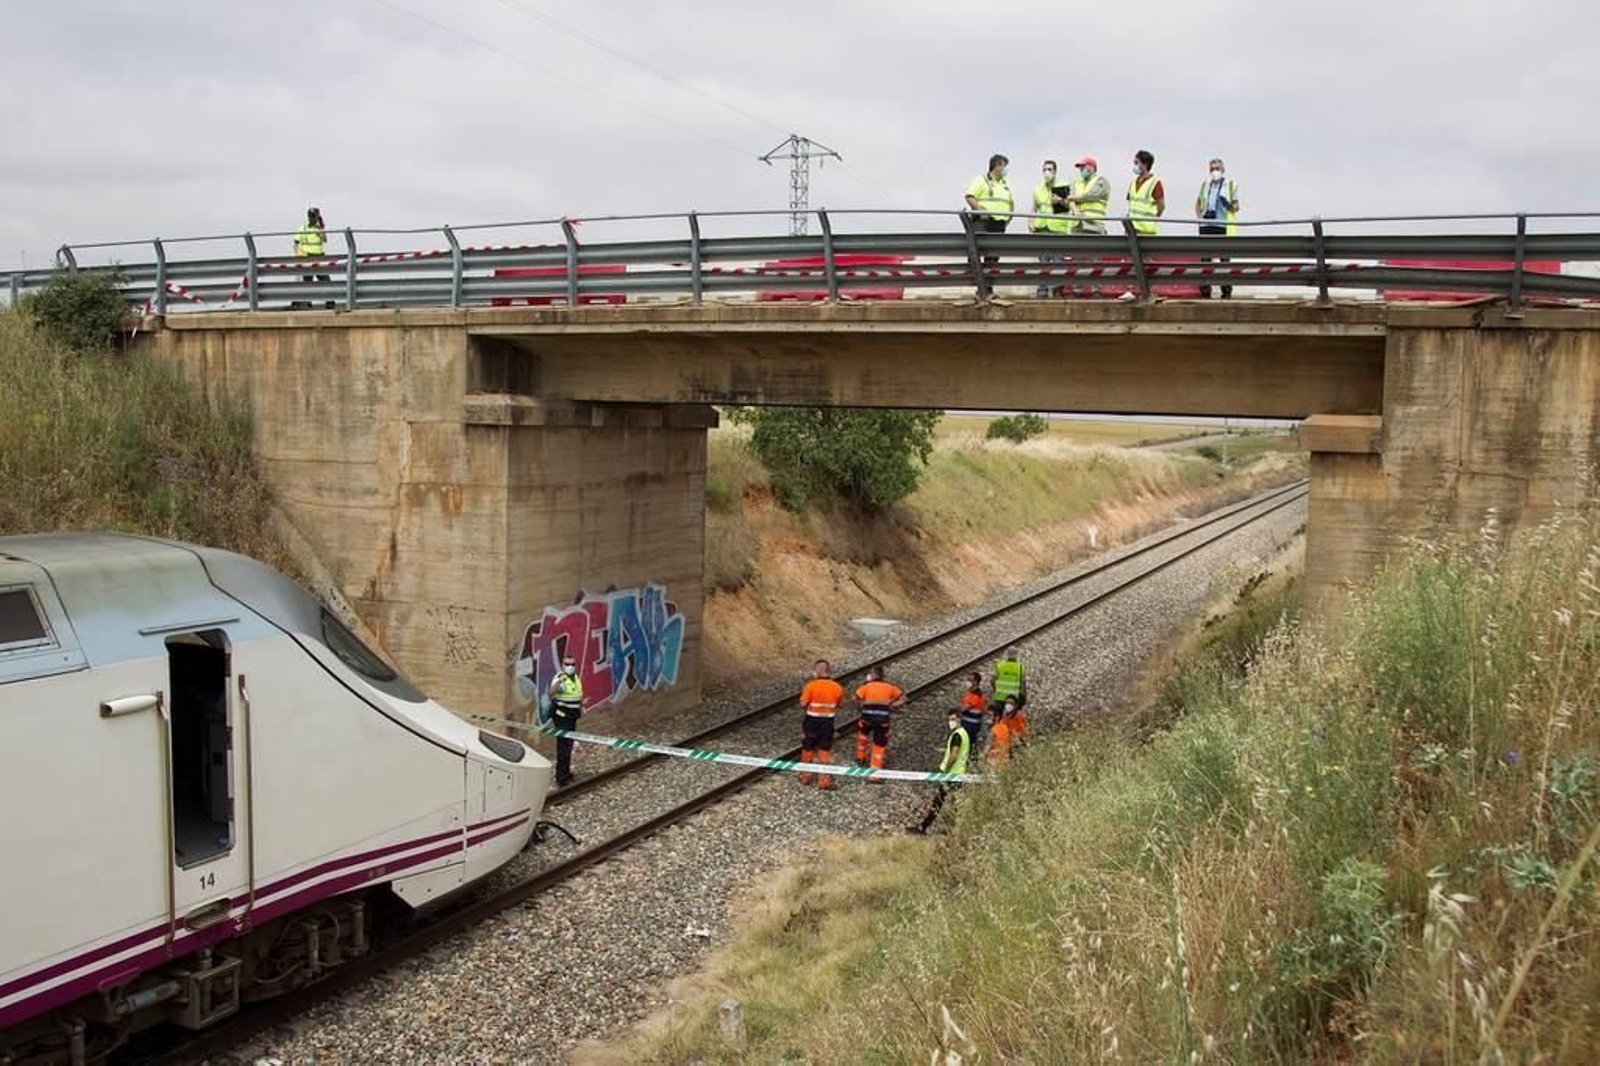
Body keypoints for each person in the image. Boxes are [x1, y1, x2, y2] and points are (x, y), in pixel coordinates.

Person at [906, 708, 972, 834]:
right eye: (949, 719)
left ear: (959, 719)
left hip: (951, 774)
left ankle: (924, 827)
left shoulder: (957, 735)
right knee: (952, 802)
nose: (950, 722)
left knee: (939, 802)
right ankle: (950, 829)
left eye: (953, 719)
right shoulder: (964, 733)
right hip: (959, 774)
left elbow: (954, 755)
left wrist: (945, 770)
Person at [1060, 156, 1112, 296]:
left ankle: (1096, 290)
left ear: (1092, 167)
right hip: (1078, 225)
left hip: (1094, 225)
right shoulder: (1076, 183)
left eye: (1083, 167)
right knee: (1078, 259)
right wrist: (1075, 210)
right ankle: (1077, 289)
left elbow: (1091, 195)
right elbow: (1069, 199)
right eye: (1080, 167)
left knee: (1095, 260)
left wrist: (1072, 198)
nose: (1081, 170)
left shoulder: (1102, 181)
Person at [963, 154, 1013, 297]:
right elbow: (969, 196)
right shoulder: (982, 179)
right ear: (996, 166)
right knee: (978, 253)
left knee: (993, 258)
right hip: (983, 222)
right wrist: (980, 209)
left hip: (999, 225)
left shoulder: (1004, 184)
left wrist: (1007, 217)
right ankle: (980, 289)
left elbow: (1010, 203)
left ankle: (988, 290)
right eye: (1004, 166)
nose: (1006, 169)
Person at [1194, 158, 1240, 299]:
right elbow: (1198, 203)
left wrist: (1227, 204)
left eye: (1217, 168)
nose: (1215, 171)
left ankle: (1226, 292)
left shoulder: (1230, 185)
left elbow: (1236, 207)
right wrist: (1200, 218)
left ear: (1223, 170)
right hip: (1206, 225)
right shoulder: (1205, 185)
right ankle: (1205, 291)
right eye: (1212, 169)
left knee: (1224, 260)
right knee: (1205, 260)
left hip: (1222, 226)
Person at [797, 658, 845, 790]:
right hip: (827, 723)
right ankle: (824, 781)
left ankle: (805, 777)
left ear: (817, 671)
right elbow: (840, 705)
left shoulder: (810, 686)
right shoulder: (837, 687)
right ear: (828, 671)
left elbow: (803, 704)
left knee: (807, 748)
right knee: (824, 749)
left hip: (811, 722)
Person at [854, 665, 909, 779]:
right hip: (882, 721)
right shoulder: (890, 687)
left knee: (863, 735)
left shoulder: (866, 686)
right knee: (879, 744)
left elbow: (856, 698)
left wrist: (862, 706)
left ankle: (860, 758)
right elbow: (904, 699)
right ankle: (874, 773)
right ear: (882, 676)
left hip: (867, 719)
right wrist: (892, 705)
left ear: (872, 675)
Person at [1030, 160, 1071, 298]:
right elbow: (1034, 208)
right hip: (1042, 229)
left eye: (1050, 169)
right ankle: (1042, 290)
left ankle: (1058, 290)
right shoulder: (1038, 188)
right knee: (1043, 262)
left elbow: (1070, 206)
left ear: (1055, 171)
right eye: (1045, 169)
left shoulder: (1062, 186)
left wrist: (1060, 200)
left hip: (1058, 229)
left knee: (1058, 262)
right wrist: (1030, 222)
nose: (1047, 172)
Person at [547, 653, 584, 786]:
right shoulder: (560, 678)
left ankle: (566, 773)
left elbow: (578, 695)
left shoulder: (575, 678)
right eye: (567, 664)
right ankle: (561, 778)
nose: (570, 667)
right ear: (563, 665)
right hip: (562, 716)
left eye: (572, 664)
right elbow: (551, 692)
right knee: (563, 746)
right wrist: (559, 681)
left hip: (571, 716)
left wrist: (581, 709)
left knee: (568, 745)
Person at [294, 206, 333, 309]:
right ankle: (308, 303)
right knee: (308, 281)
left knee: (325, 281)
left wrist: (321, 228)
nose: (311, 218)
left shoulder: (319, 228)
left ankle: (330, 302)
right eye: (310, 216)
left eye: (314, 216)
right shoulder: (302, 228)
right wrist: (297, 256)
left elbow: (325, 240)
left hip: (320, 258)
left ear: (317, 217)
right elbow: (296, 243)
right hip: (307, 257)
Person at [990, 645, 1027, 717]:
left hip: (999, 697)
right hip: (1013, 700)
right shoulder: (1020, 667)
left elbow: (992, 681)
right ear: (1016, 656)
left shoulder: (1000, 665)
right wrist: (1024, 698)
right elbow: (1023, 685)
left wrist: (995, 690)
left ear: (1007, 655)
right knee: (1010, 719)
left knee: (997, 719)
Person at [958, 671, 988, 755]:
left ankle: (971, 757)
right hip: (969, 723)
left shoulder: (976, 696)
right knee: (970, 741)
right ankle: (972, 756)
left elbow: (964, 708)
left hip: (971, 724)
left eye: (970, 680)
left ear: (975, 682)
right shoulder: (971, 693)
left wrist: (957, 711)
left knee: (968, 742)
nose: (967, 682)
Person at [988, 698, 1018, 770]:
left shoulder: (993, 730)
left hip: (992, 764)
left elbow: (986, 750)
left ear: (997, 717)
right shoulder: (1005, 728)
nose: (988, 718)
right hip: (1004, 764)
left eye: (990, 716)